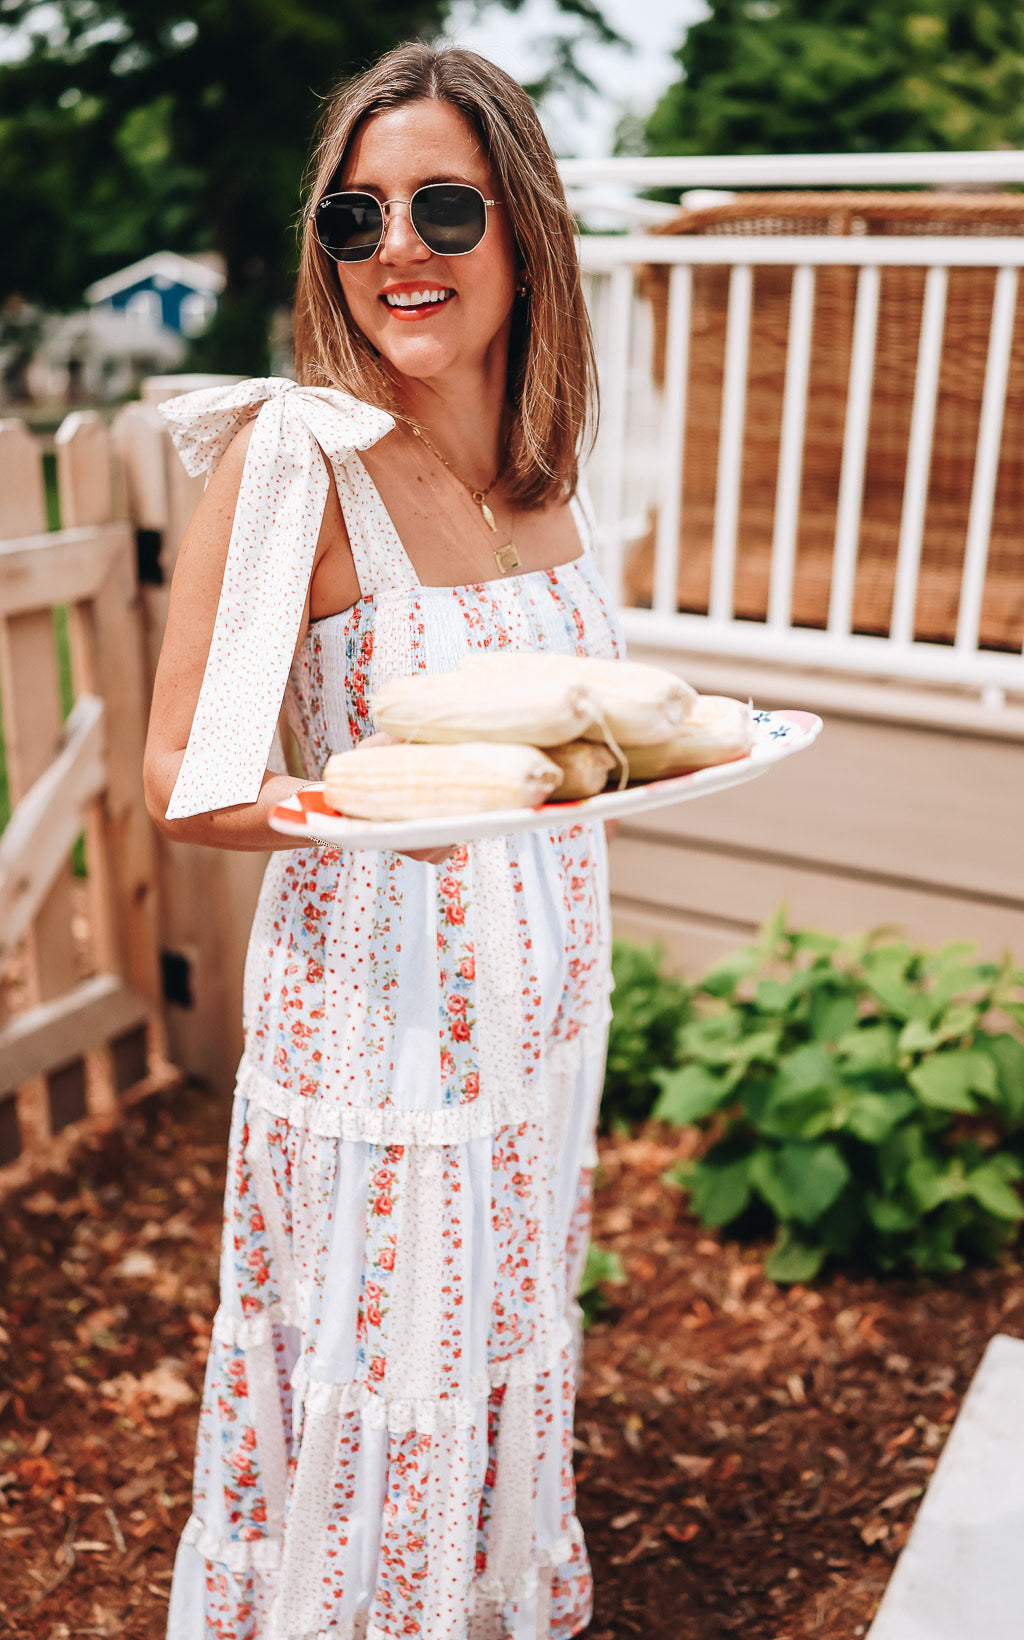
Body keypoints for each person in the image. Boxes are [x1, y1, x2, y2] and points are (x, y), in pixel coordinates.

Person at [143, 39, 624, 1640]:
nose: (396, 248)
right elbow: (181, 778)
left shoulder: (541, 466)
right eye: (355, 218)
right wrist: (369, 809)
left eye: (441, 207)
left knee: (490, 1349)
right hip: (383, 1052)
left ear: (522, 231)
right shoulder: (301, 463)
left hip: (537, 1037)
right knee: (383, 1384)